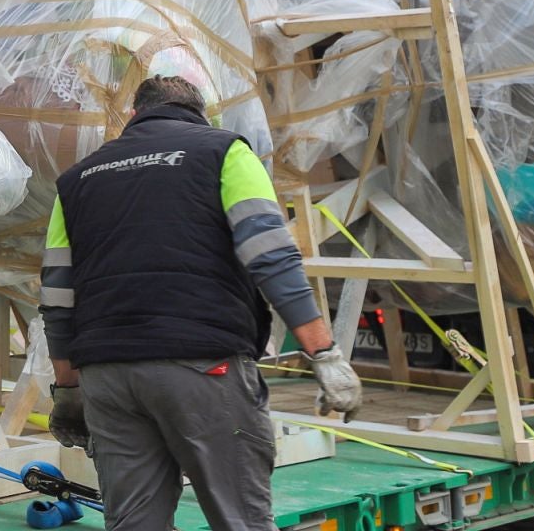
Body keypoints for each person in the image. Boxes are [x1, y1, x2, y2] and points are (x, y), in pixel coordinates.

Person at [41, 75, 363, 531]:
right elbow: (270, 257)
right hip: (202, 362)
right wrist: (324, 353)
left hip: (108, 376)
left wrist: (68, 389)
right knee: (241, 520)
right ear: (201, 115)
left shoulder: (76, 180)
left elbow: (56, 294)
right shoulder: (224, 151)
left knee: (134, 523)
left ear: (133, 116)